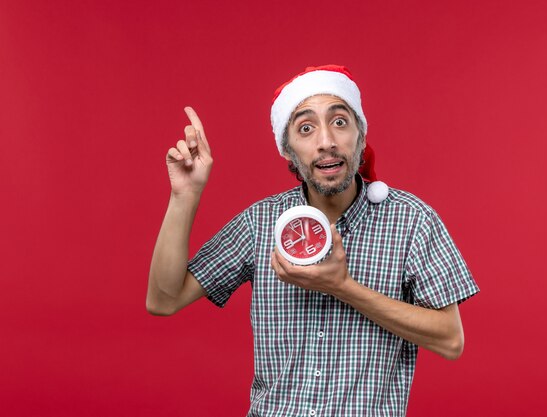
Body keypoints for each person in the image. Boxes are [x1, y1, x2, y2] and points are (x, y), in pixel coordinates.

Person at [147, 65, 479, 416]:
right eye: (306, 128)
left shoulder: (412, 220)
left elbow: (450, 340)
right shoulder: (261, 222)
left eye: (339, 122)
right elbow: (164, 299)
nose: (326, 141)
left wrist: (343, 287)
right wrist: (185, 196)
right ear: (287, 150)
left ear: (361, 137)